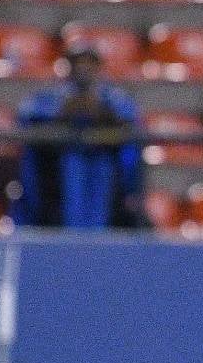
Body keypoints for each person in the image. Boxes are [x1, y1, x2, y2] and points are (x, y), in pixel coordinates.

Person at [13, 45, 141, 229]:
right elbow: (26, 116)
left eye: (89, 63)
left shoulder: (112, 96)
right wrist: (62, 112)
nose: (83, 69)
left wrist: (103, 113)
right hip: (60, 165)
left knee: (109, 166)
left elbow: (130, 120)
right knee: (69, 167)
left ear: (98, 67)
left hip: (104, 162)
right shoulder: (52, 95)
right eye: (78, 63)